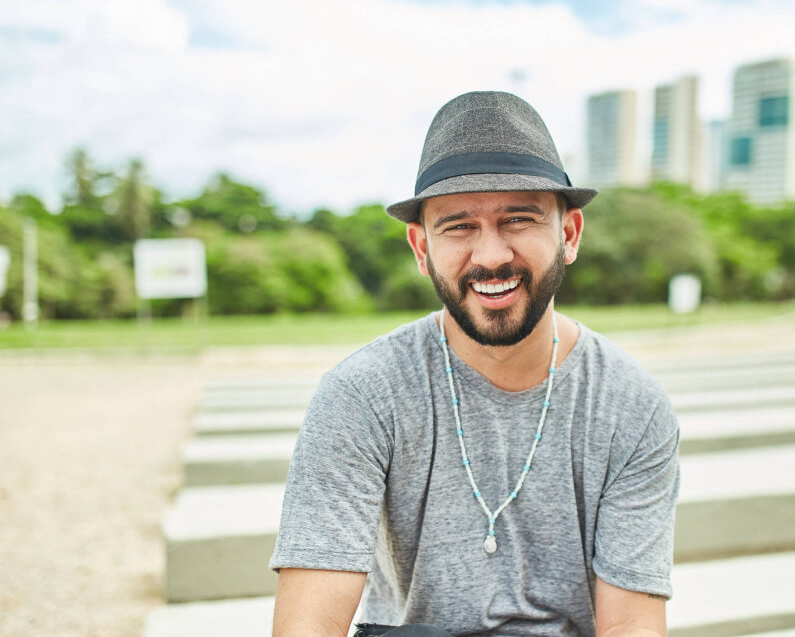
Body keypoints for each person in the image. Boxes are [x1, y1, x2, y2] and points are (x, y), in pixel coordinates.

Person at [270, 91, 680, 636]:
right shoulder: (362, 394)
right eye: (459, 226)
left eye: (518, 220)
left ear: (570, 233)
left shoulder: (631, 405)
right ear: (421, 249)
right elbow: (307, 624)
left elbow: (632, 627)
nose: (490, 256)